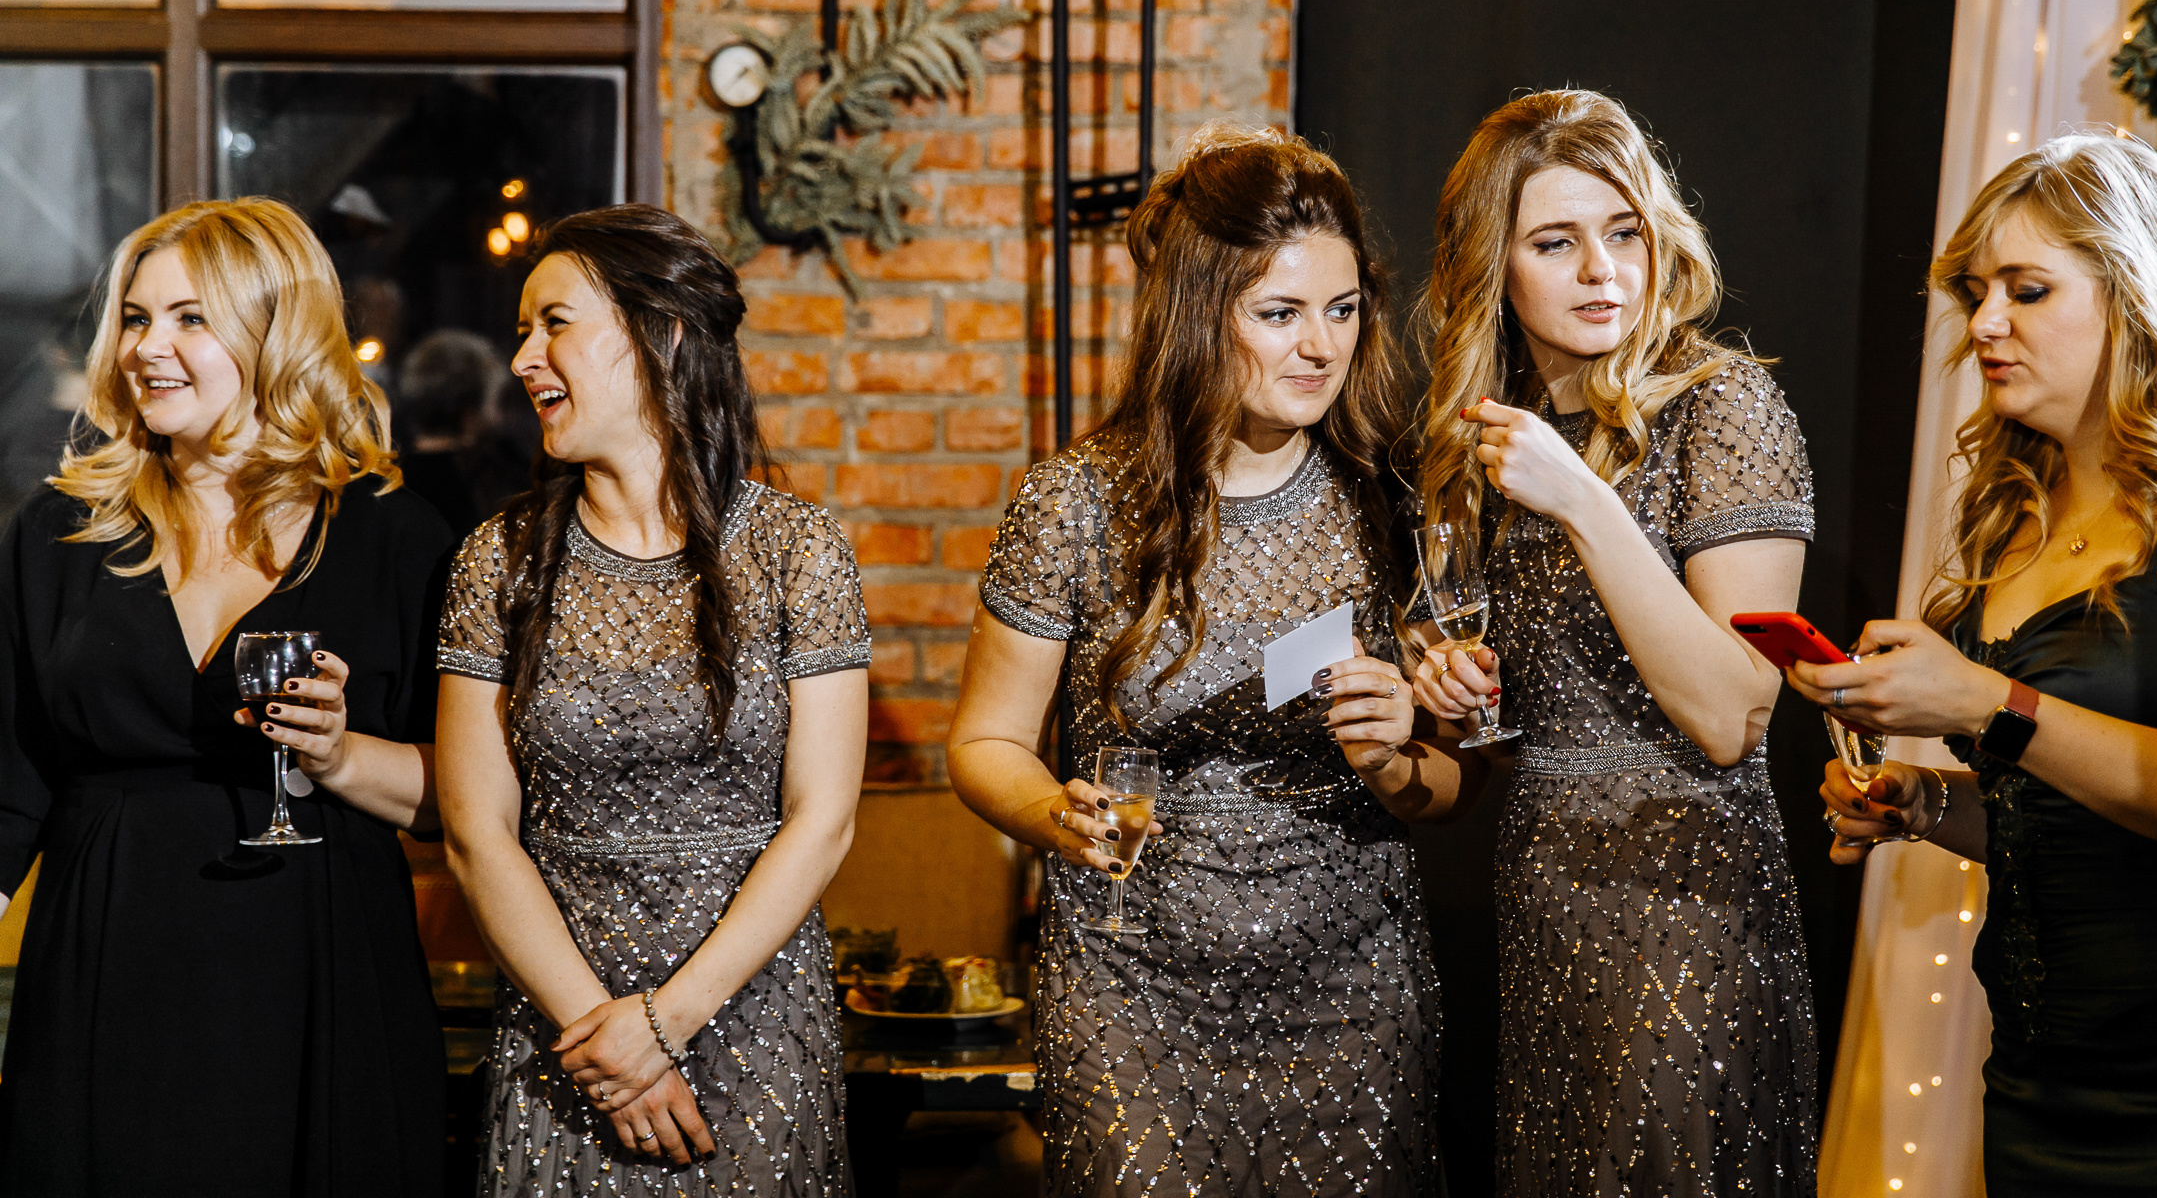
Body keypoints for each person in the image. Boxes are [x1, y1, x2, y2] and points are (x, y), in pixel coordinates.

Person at [949, 126, 1466, 1197]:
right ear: (1196, 314)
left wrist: (1393, 749)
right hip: (1134, 984)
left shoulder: (1393, 499)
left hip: (1351, 986)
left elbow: (1453, 786)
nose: (1319, 346)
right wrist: (1055, 813)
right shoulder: (1079, 501)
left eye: (1341, 309)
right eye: (1279, 314)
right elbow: (986, 742)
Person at [1791, 133, 2157, 1197]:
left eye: (2028, 288)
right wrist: (1925, 804)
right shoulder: (2019, 510)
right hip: (2039, 1093)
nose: (1987, 322)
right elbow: (2050, 807)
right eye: (1977, 291)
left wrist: (1989, 702)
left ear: (2136, 292)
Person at [1410, 89, 1820, 1196]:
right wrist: (1453, 693)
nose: (1603, 269)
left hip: (1691, 909)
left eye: (1624, 231)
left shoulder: (1722, 407)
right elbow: (1501, 734)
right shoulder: (1492, 443)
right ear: (1493, 266)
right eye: (1556, 241)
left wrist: (1584, 500)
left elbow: (1734, 713)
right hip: (1547, 913)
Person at [0, 197, 453, 1196]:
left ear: (274, 334)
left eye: (190, 318)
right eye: (135, 317)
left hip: (318, 964)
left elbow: (461, 803)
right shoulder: (61, 532)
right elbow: (12, 775)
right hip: (108, 957)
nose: (146, 348)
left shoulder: (397, 539)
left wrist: (339, 755)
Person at [435, 205, 870, 1192]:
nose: (522, 359)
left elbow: (824, 818)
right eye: (519, 331)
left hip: (757, 1021)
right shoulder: (494, 561)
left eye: (553, 322)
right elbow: (477, 834)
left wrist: (664, 1022)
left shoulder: (800, 551)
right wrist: (608, 1048)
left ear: (662, 333)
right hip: (567, 1036)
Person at [396, 328, 532, 536]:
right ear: (469, 412)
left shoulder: (387, 478)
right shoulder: (484, 479)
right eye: (496, 401)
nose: (499, 417)